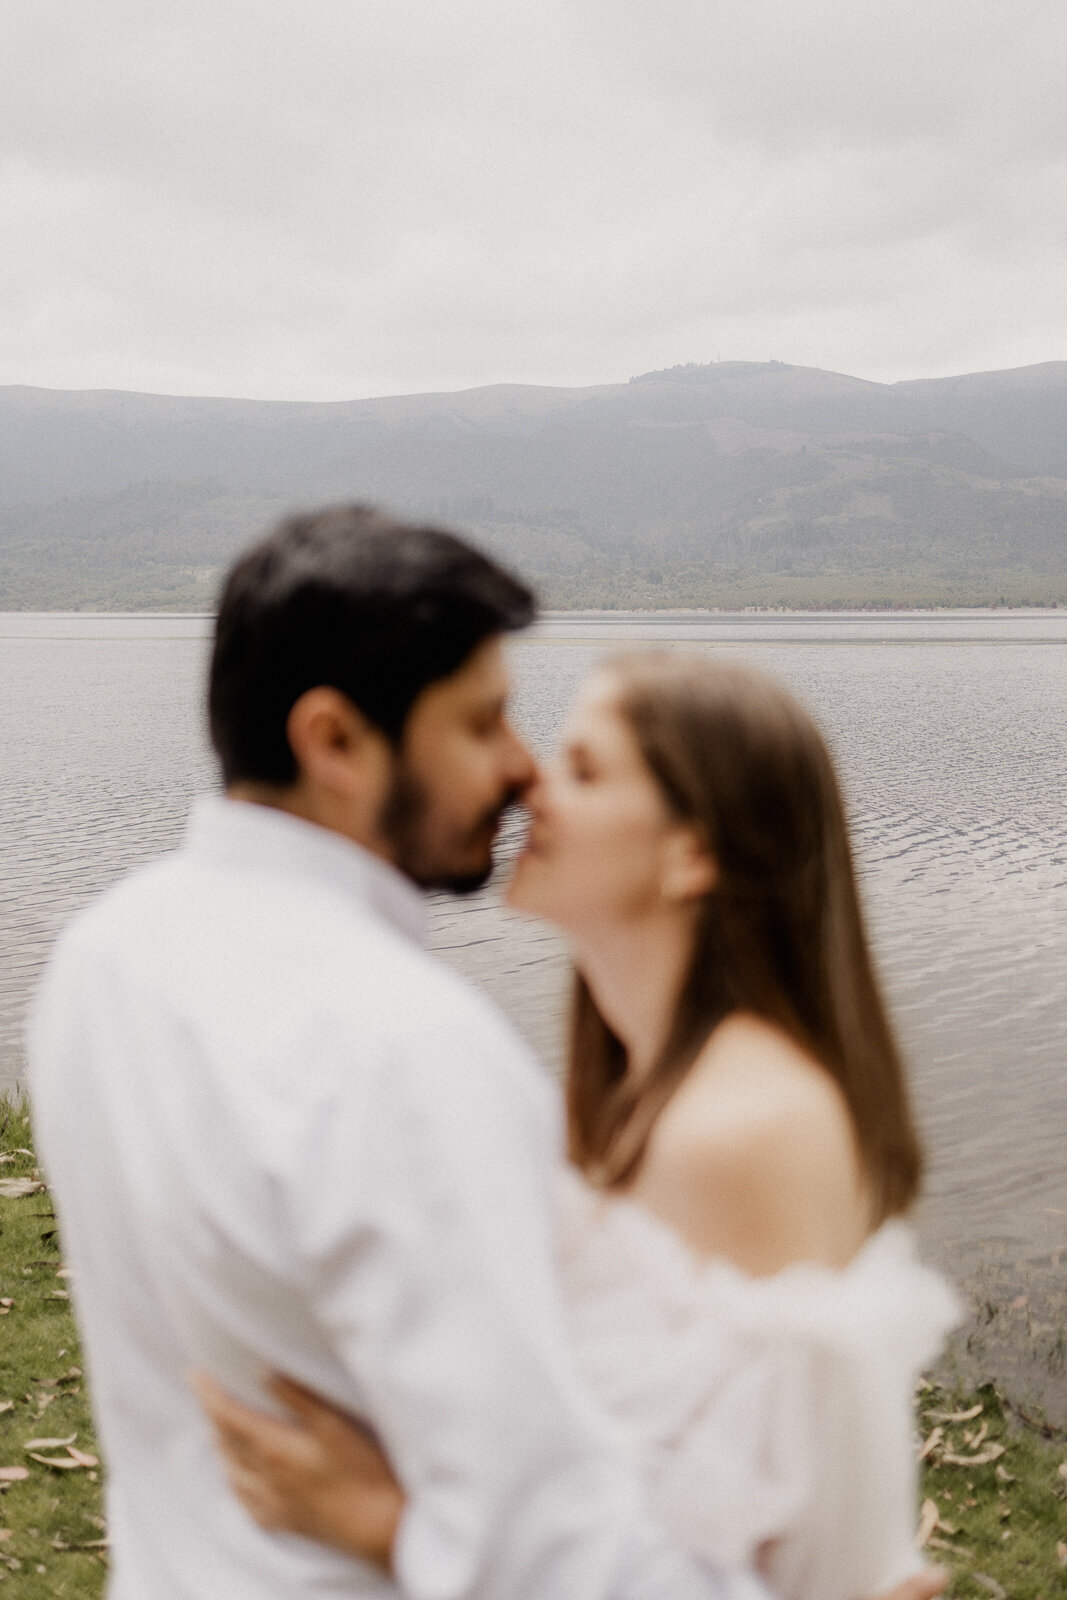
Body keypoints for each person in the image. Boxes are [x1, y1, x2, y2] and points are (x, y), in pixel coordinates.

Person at [29, 505, 786, 1600]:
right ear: (334, 740)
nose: (523, 769)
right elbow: (551, 1549)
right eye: (480, 725)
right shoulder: (402, 1047)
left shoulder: (103, 956)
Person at [196, 649, 959, 1600]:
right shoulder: (628, 1104)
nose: (529, 789)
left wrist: (390, 1527)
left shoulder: (750, 1130)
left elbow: (768, 1571)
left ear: (693, 853)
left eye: (585, 771)